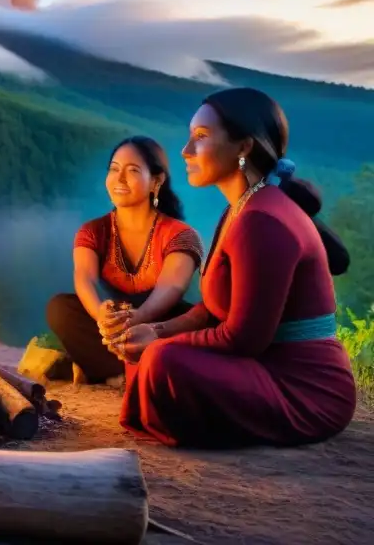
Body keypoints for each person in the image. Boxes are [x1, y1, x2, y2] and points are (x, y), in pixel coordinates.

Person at [114, 87, 356, 448]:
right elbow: (215, 310)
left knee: (164, 361)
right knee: (149, 351)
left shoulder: (263, 220)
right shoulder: (241, 209)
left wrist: (162, 341)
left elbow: (244, 338)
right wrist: (157, 328)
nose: (185, 151)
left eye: (201, 137)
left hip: (305, 391)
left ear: (244, 147)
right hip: (263, 368)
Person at [46, 136, 204, 385]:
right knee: (60, 308)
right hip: (112, 325)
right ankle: (126, 373)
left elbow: (171, 287)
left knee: (201, 320)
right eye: (114, 169)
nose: (119, 179)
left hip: (159, 323)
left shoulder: (181, 235)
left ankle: (115, 370)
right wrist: (102, 317)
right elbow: (84, 277)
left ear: (156, 181)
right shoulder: (92, 231)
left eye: (132, 171)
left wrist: (139, 318)